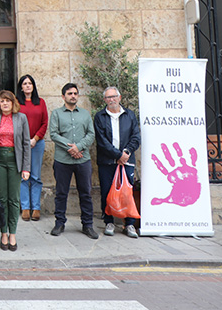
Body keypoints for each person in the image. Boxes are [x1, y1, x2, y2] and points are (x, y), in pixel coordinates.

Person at [48, 83, 97, 239]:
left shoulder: (85, 114)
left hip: (83, 160)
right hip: (63, 160)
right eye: (70, 93)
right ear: (63, 96)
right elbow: (54, 134)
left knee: (86, 193)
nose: (73, 96)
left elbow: (91, 134)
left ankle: (87, 225)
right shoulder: (56, 114)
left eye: (75, 93)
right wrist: (71, 148)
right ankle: (59, 223)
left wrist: (79, 147)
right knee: (61, 193)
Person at [0, 89, 31, 251]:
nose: (5, 103)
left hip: (15, 160)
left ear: (13, 103)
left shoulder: (21, 118)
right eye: (2, 101)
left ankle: (13, 233)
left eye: (8, 101)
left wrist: (26, 167)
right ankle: (3, 232)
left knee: (14, 198)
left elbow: (26, 144)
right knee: (2, 198)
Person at [94, 86, 140, 238]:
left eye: (114, 96)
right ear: (104, 100)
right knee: (107, 192)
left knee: (127, 193)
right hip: (107, 162)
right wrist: (117, 155)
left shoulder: (129, 115)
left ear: (119, 98)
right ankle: (109, 221)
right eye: (108, 97)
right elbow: (102, 141)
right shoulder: (100, 117)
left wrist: (126, 152)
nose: (111, 99)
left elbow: (136, 137)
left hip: (126, 161)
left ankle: (129, 224)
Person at [16, 74, 49, 221]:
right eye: (25, 84)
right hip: (21, 144)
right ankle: (25, 207)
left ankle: (36, 207)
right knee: (23, 176)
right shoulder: (16, 103)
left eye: (30, 83)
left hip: (37, 143)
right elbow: (14, 122)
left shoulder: (40, 102)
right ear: (21, 88)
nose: (28, 86)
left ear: (33, 86)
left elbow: (44, 122)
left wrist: (35, 138)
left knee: (35, 176)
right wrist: (24, 140)